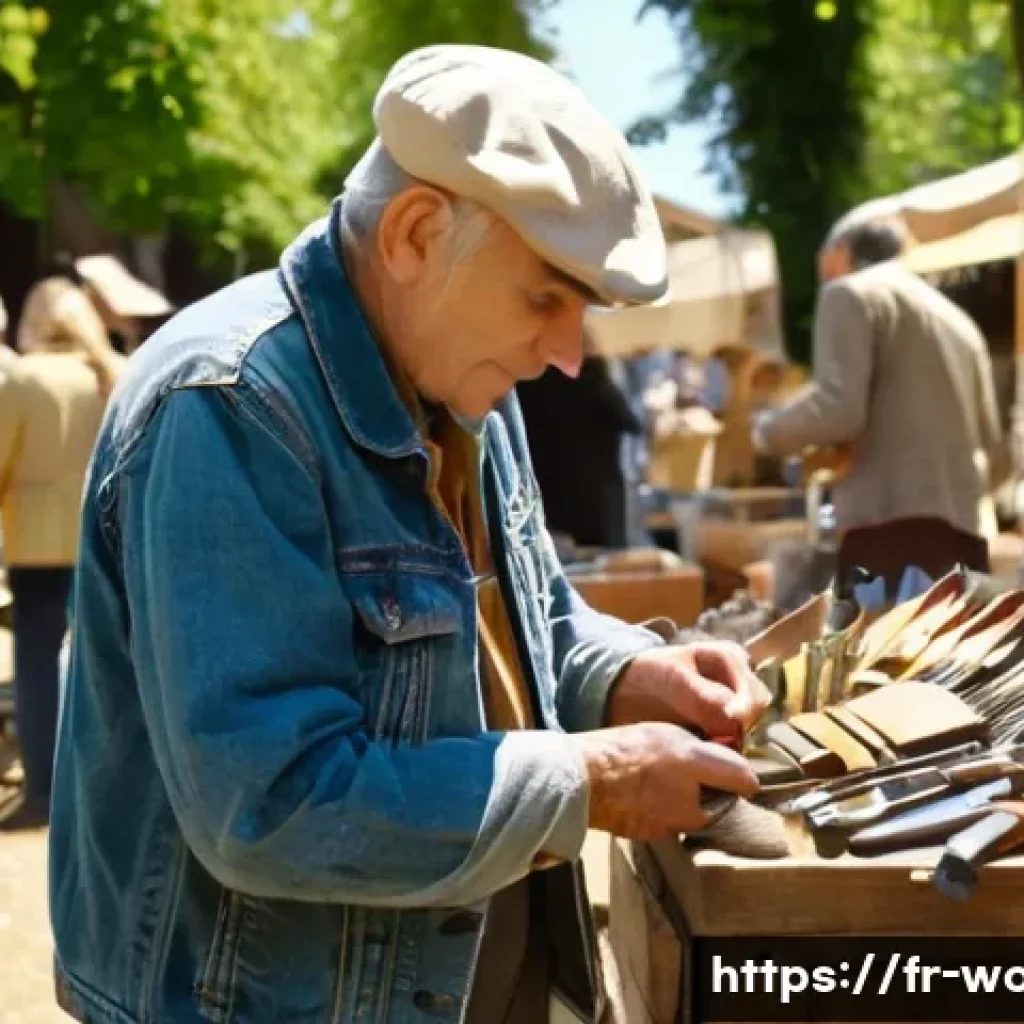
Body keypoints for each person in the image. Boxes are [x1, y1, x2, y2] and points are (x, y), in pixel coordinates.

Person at [50, 46, 768, 1024]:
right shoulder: (226, 406)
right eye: (545, 297)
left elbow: (535, 624)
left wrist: (638, 674)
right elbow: (269, 804)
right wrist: (593, 778)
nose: (566, 356)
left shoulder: (464, 384)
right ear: (417, 232)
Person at [754, 219, 1005, 584]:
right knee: (951, 640)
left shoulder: (849, 293)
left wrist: (768, 431)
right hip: (964, 532)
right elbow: (994, 447)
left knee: (884, 640)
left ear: (840, 253)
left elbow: (839, 409)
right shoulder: (960, 323)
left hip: (888, 526)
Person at [0, 279, 124, 829]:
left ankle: (43, 791)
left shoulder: (25, 380)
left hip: (36, 544)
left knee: (37, 667)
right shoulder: (120, 373)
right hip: (106, 538)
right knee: (102, 667)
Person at [517, 333, 642, 549]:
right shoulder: (593, 378)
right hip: (595, 497)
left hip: (546, 492)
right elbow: (629, 422)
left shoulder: (527, 383)